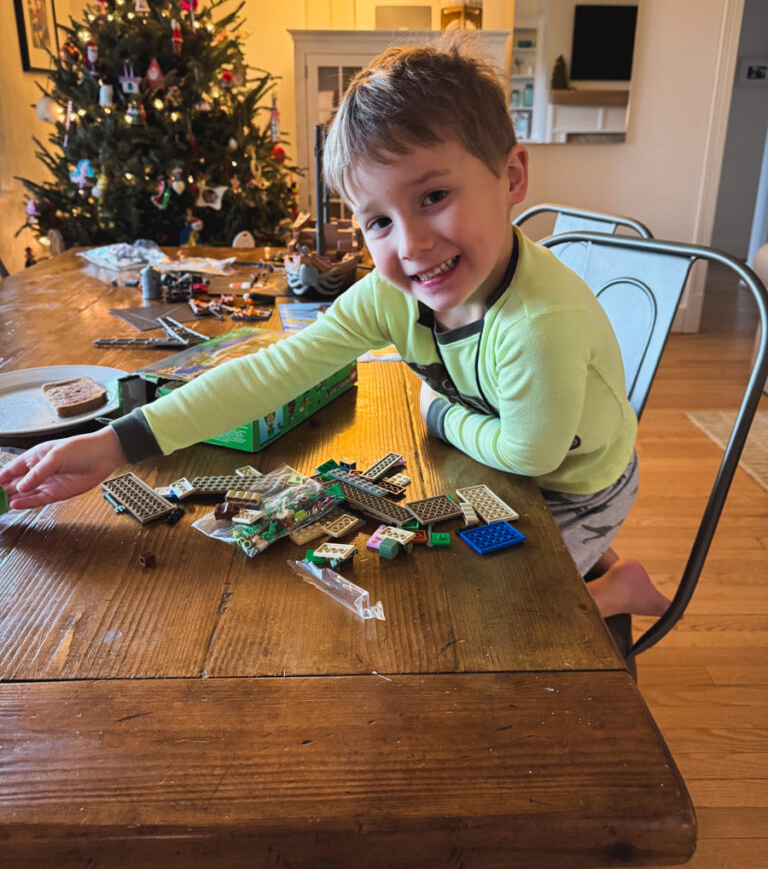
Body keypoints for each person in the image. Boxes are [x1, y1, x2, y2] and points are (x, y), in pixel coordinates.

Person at [0, 40, 669, 620]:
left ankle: (619, 588)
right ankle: (599, 559)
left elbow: (529, 455)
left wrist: (437, 411)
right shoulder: (391, 293)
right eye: (378, 221)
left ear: (512, 176)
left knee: (498, 612)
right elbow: (271, 372)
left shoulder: (539, 323)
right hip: (515, 439)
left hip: (574, 483)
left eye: (434, 196)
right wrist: (114, 444)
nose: (410, 244)